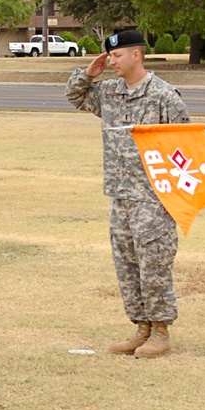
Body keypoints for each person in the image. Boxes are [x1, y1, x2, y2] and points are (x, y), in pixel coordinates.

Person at [66, 30, 190, 359]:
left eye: (117, 55)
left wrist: (174, 198)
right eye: (109, 55)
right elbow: (76, 97)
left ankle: (161, 331)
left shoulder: (164, 96)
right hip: (120, 195)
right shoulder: (110, 92)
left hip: (154, 198)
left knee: (154, 264)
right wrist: (88, 74)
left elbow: (186, 148)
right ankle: (142, 328)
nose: (111, 60)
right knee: (127, 263)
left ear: (137, 55)